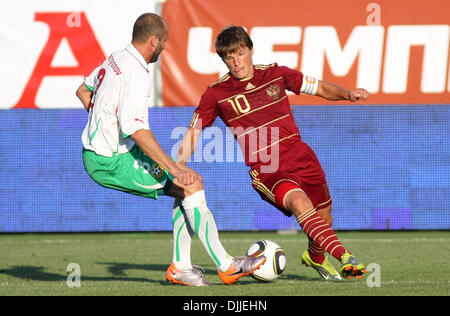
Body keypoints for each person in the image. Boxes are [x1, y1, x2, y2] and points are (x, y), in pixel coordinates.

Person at [75, 15, 265, 287]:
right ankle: (227, 265)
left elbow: (83, 90)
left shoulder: (116, 58)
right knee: (190, 182)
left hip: (109, 153)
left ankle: (181, 267)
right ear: (153, 41)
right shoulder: (137, 71)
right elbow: (136, 130)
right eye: (163, 43)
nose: (164, 48)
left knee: (186, 184)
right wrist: (173, 167)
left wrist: (101, 123)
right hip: (110, 161)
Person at [175, 25, 369, 281]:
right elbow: (194, 130)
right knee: (300, 203)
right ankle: (346, 256)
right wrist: (178, 164)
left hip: (301, 156)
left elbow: (318, 87)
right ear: (223, 60)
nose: (236, 62)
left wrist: (347, 94)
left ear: (251, 50)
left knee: (324, 216)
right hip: (267, 168)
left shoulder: (277, 74)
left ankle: (316, 256)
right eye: (229, 57)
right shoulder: (216, 93)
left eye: (240, 53)